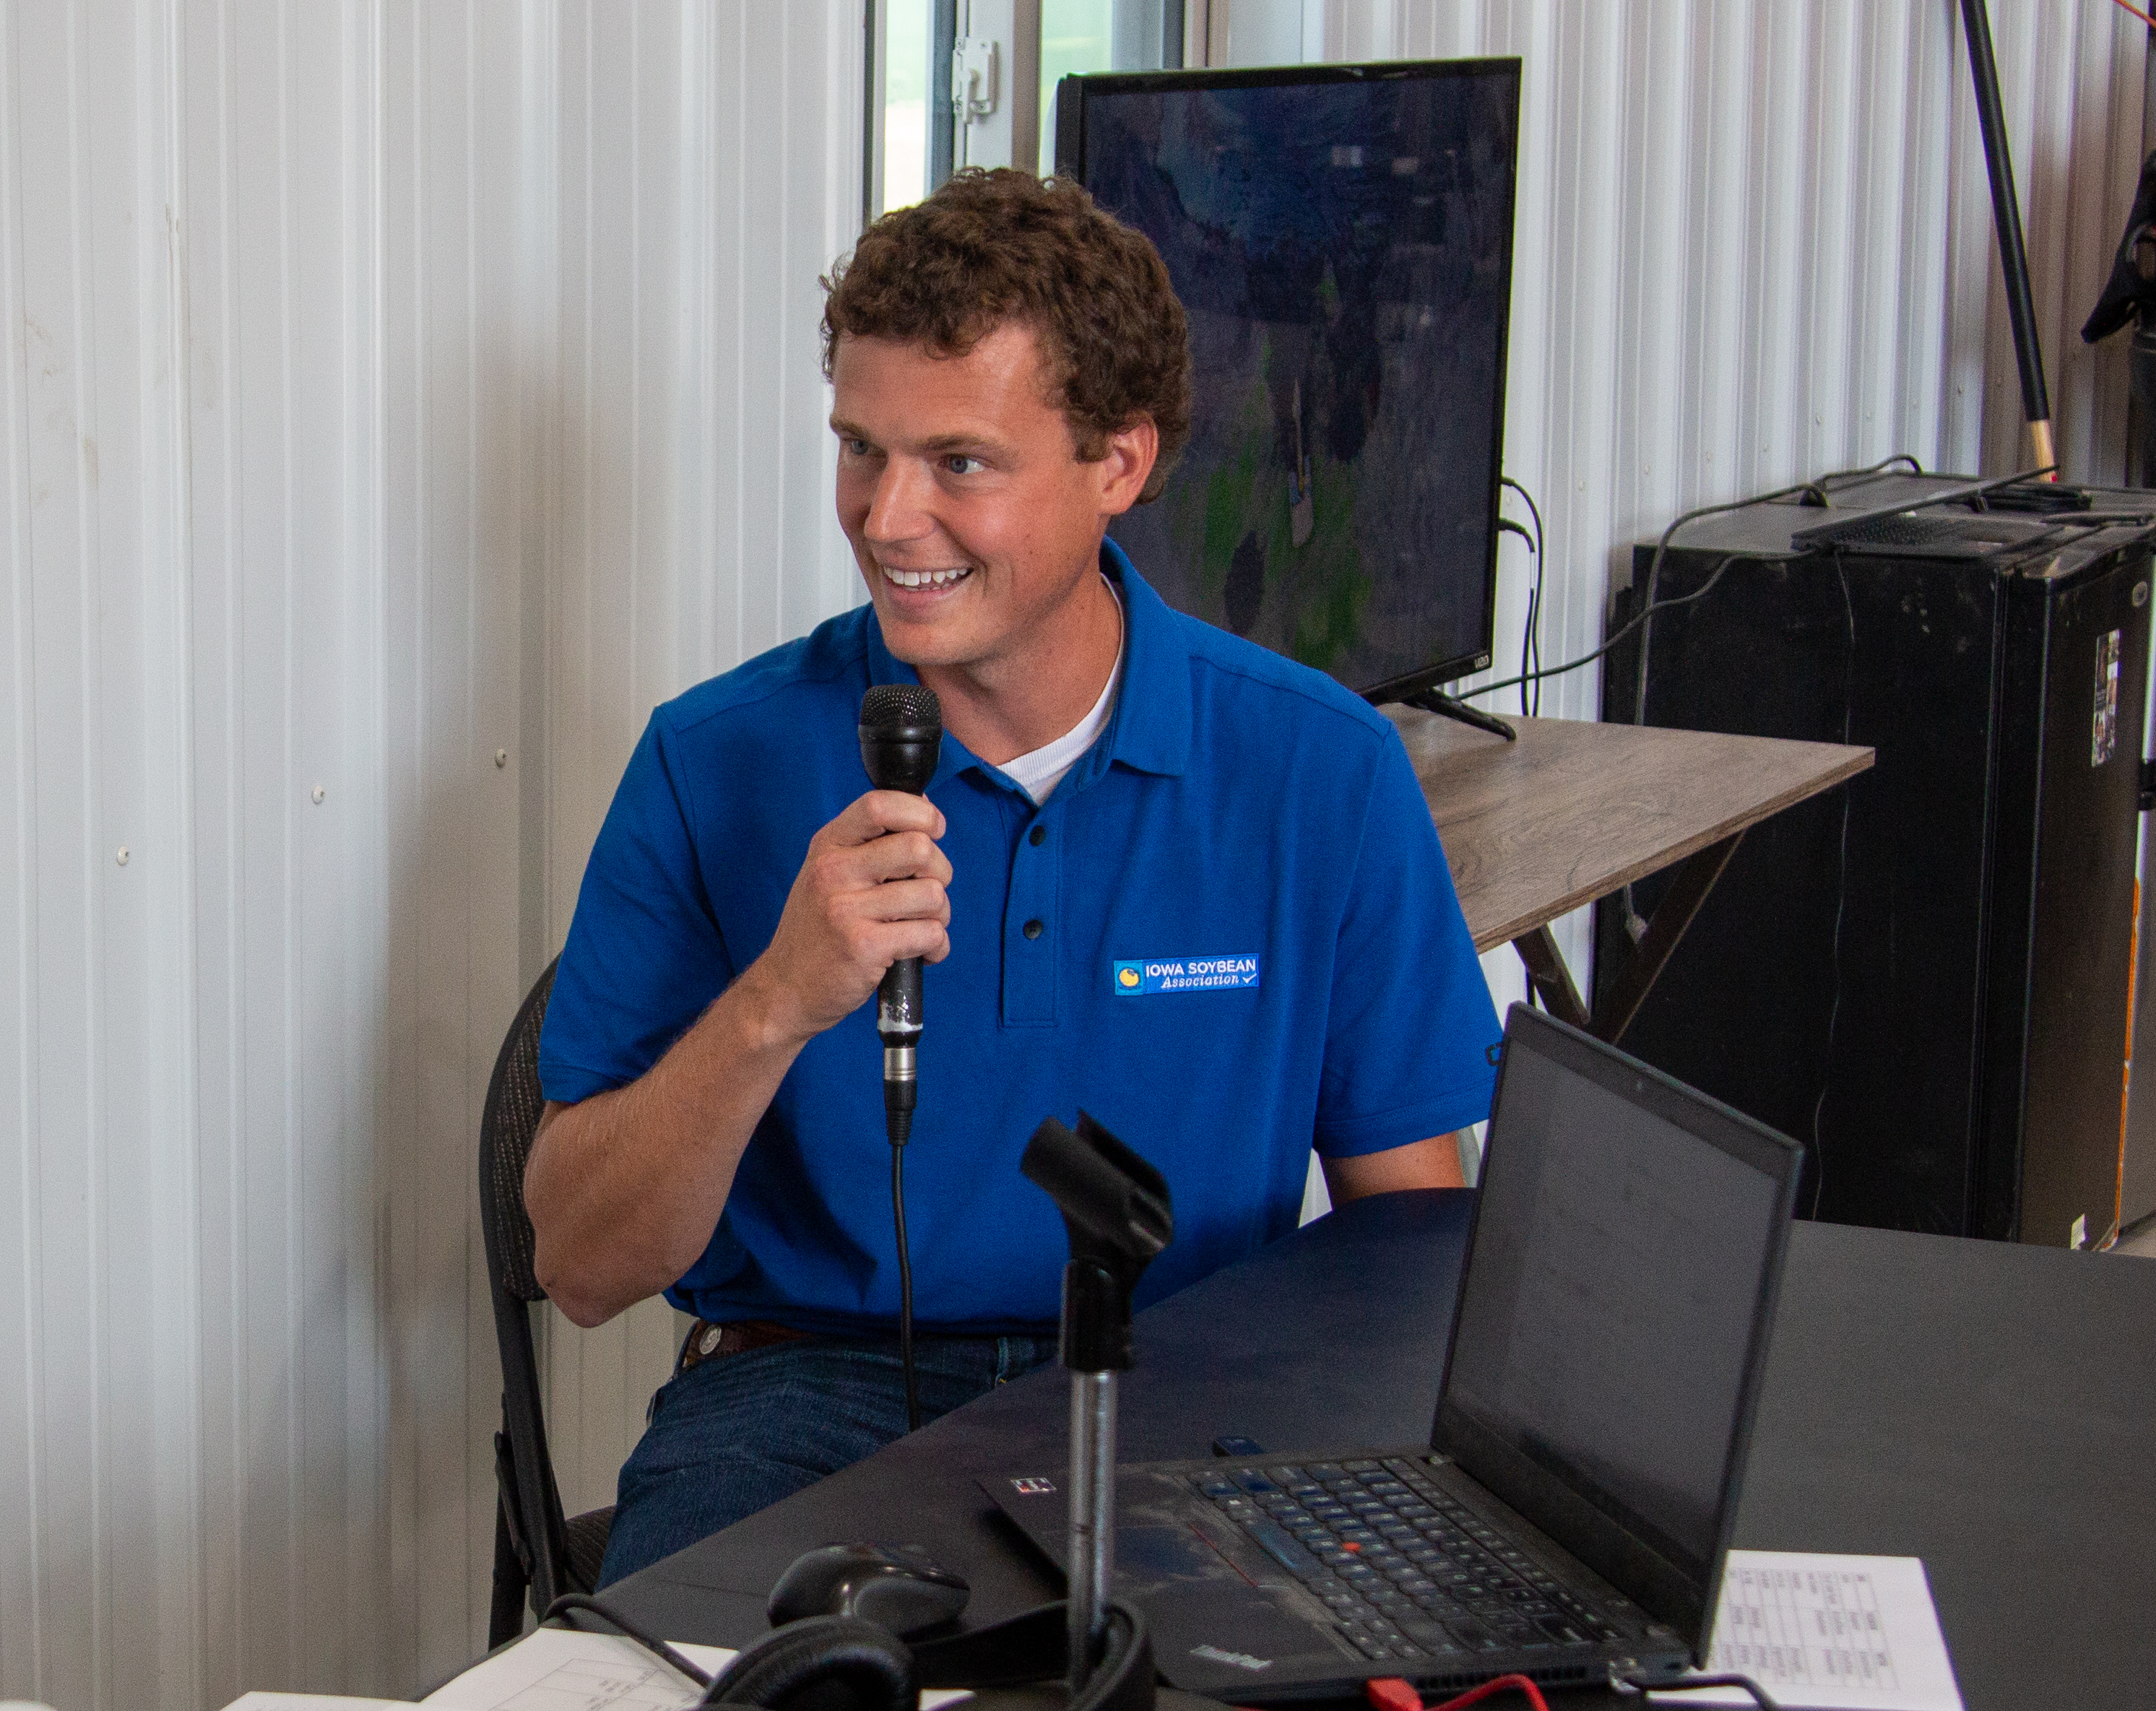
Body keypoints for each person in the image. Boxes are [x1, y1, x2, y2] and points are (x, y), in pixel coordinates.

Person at [527, 169, 1502, 1582]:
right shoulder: (712, 758)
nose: (885, 515)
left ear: (1119, 464)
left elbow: (1410, 1247)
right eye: (861, 449)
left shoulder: (1320, 770)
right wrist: (776, 1003)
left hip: (1187, 1394)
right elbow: (581, 1263)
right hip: (808, 1399)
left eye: (959, 463)